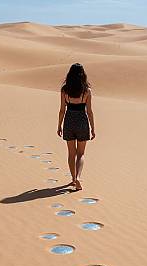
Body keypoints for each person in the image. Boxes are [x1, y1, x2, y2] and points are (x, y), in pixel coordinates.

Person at [57, 63, 95, 191]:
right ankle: (78, 177)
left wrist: (59, 126)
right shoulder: (87, 91)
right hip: (82, 122)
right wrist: (93, 128)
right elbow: (89, 111)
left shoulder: (64, 90)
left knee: (71, 153)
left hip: (69, 122)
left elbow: (62, 110)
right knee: (81, 154)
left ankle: (73, 179)